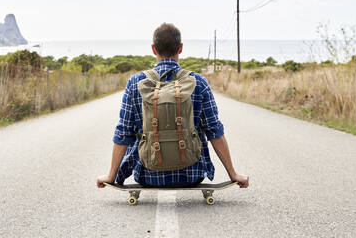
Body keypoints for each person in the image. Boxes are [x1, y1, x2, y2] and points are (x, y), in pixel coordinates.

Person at [97, 23, 249, 189]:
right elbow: (214, 131)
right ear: (181, 48)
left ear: (154, 49)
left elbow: (123, 132)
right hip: (191, 175)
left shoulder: (135, 83)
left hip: (147, 175)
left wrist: (111, 176)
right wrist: (233, 174)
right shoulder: (199, 82)